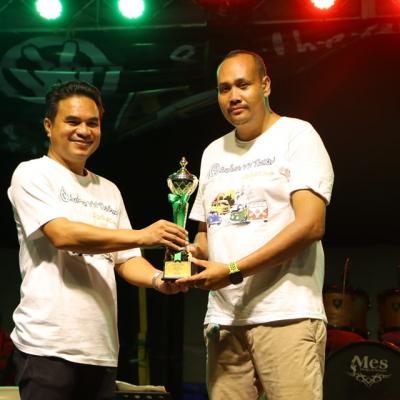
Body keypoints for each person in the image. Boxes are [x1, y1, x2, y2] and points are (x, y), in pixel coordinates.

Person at [7, 80, 189, 400]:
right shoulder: (32, 173)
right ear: (49, 126)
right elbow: (62, 235)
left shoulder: (108, 189)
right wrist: (143, 234)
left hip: (101, 351)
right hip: (47, 347)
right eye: (72, 121)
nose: (84, 131)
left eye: (93, 123)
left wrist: (159, 279)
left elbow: (127, 260)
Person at [177, 50, 334, 400]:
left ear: (265, 86)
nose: (233, 96)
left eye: (243, 85)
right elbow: (207, 233)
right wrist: (189, 256)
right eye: (224, 88)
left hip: (286, 314)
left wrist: (233, 270)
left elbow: (311, 226)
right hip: (224, 319)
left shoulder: (297, 135)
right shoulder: (213, 152)